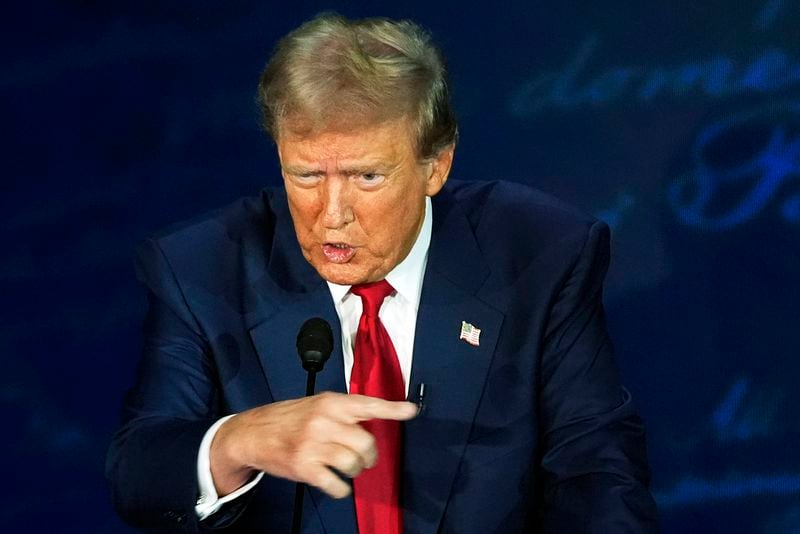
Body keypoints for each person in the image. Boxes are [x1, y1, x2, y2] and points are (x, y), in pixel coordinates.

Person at [107, 13, 658, 533]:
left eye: (366, 176)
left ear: (435, 165)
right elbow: (138, 470)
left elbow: (596, 471)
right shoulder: (203, 268)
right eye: (304, 175)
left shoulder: (538, 253)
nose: (331, 213)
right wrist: (236, 442)